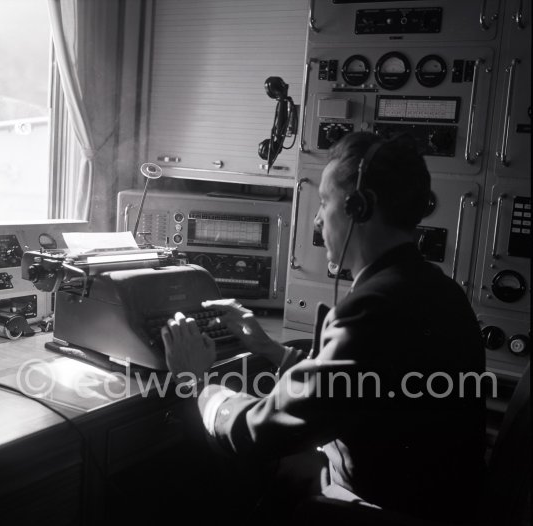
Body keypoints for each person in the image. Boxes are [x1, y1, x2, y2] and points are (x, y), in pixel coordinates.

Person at [160, 131, 486, 524]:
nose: (316, 219)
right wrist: (271, 350)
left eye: (325, 202)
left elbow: (260, 434)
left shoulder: (373, 307)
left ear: (359, 208)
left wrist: (197, 385)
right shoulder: (439, 288)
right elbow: (360, 384)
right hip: (432, 499)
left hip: (381, 506)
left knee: (210, 468)